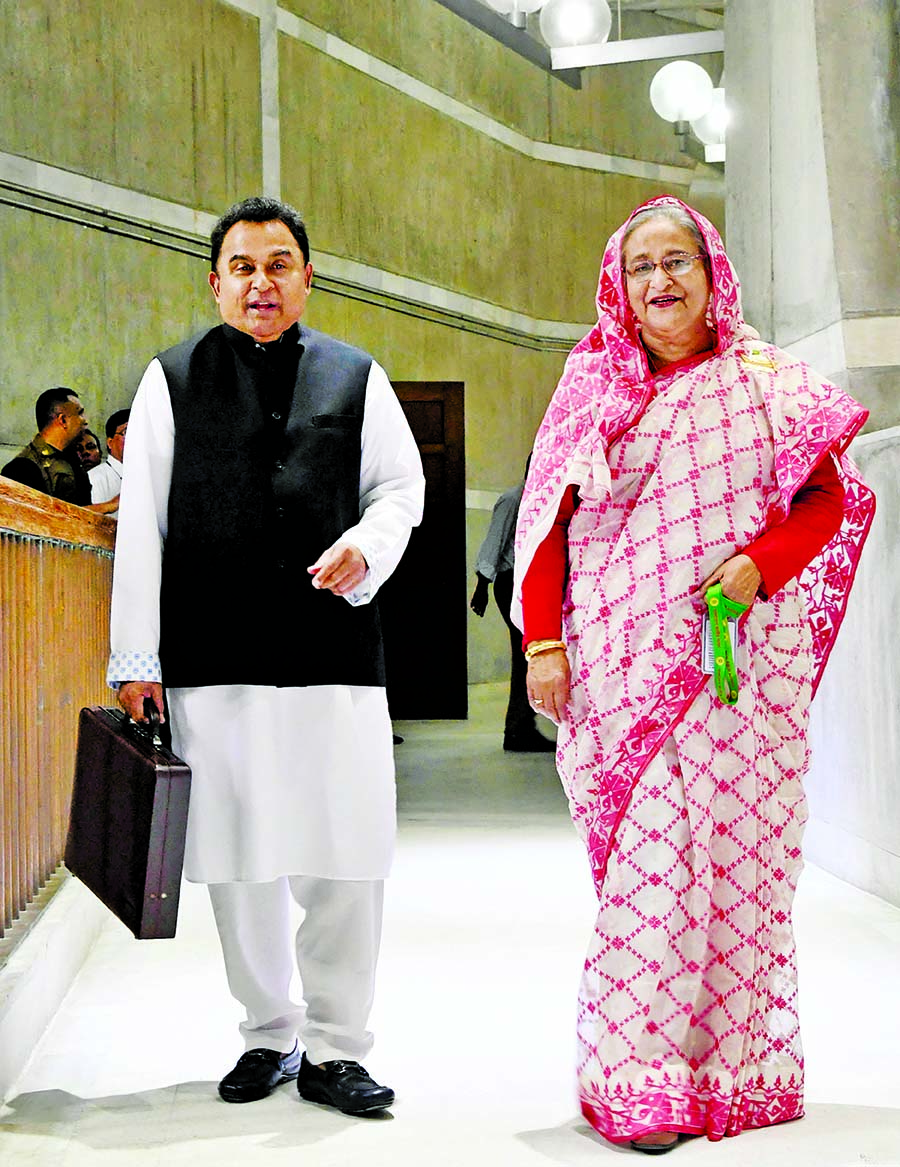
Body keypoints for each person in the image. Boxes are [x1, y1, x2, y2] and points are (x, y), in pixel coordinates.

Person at [513, 197, 874, 1154]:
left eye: (678, 262)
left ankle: (729, 1071)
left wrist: (760, 564)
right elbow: (547, 517)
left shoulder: (766, 383)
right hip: (621, 665)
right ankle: (637, 1080)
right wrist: (542, 642)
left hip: (731, 676)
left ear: (714, 277)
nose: (659, 282)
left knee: (733, 867)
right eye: (641, 267)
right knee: (653, 867)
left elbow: (828, 500)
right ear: (617, 286)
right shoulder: (592, 384)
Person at [108, 196, 425, 1115]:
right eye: (242, 265)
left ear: (307, 277)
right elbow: (143, 527)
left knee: (346, 854)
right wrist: (137, 656)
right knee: (240, 857)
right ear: (215, 282)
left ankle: (336, 1047)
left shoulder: (357, 375)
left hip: (334, 653)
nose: (260, 281)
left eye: (278, 263)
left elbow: (399, 489)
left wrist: (367, 544)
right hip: (214, 654)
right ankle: (269, 1032)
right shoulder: (170, 380)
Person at [470, 463, 554, 751]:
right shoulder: (513, 499)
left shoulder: (541, 499)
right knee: (526, 654)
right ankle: (519, 728)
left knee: (527, 655)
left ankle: (520, 726)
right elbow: (494, 542)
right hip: (510, 581)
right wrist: (482, 585)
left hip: (525, 582)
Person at [2, 387, 91, 504]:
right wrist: (107, 506)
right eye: (80, 413)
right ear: (63, 420)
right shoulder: (22, 469)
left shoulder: (72, 460)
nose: (85, 420)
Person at [88, 408, 129, 517]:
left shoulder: (150, 475)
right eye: (126, 432)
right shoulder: (94, 478)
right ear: (110, 443)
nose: (134, 439)